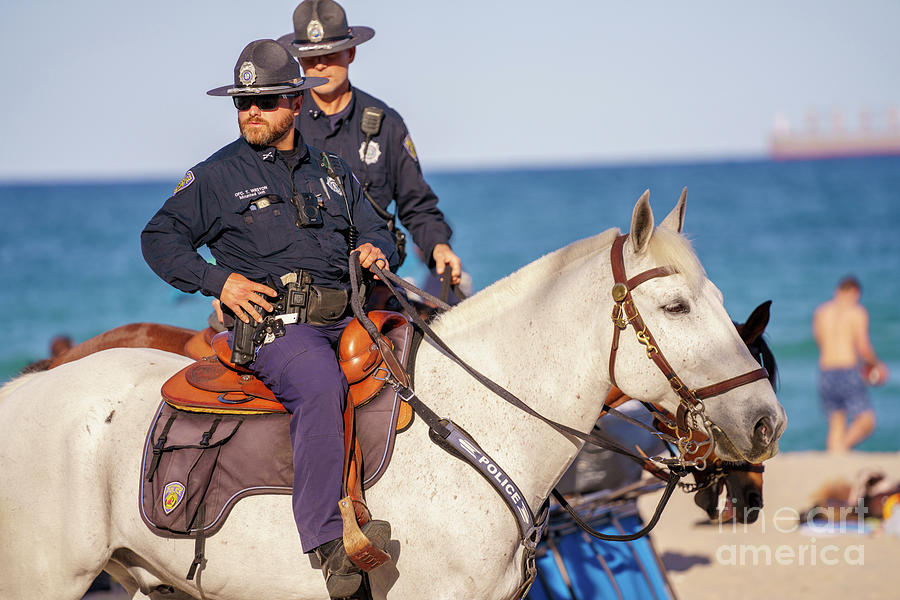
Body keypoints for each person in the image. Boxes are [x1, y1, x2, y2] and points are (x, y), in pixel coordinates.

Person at [141, 39, 397, 597]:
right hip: (278, 330)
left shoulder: (333, 169)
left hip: (348, 315)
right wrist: (219, 281)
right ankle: (330, 544)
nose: (251, 111)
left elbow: (380, 228)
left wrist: (377, 250)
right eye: (243, 102)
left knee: (419, 363)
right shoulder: (213, 176)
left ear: (297, 102)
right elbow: (158, 240)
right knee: (319, 385)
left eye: (266, 100)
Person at [278, 0, 462, 288]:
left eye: (330, 53)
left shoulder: (387, 124)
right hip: (297, 280)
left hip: (373, 278)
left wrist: (438, 245)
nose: (321, 63)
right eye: (310, 56)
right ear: (299, 61)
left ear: (351, 53)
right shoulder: (282, 122)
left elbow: (416, 204)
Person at [812, 276, 888, 452]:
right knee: (867, 421)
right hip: (847, 369)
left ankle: (834, 457)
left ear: (837, 291)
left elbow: (819, 340)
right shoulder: (857, 312)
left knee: (836, 423)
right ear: (855, 292)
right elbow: (863, 346)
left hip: (826, 370)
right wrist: (876, 365)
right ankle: (842, 448)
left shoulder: (821, 312)